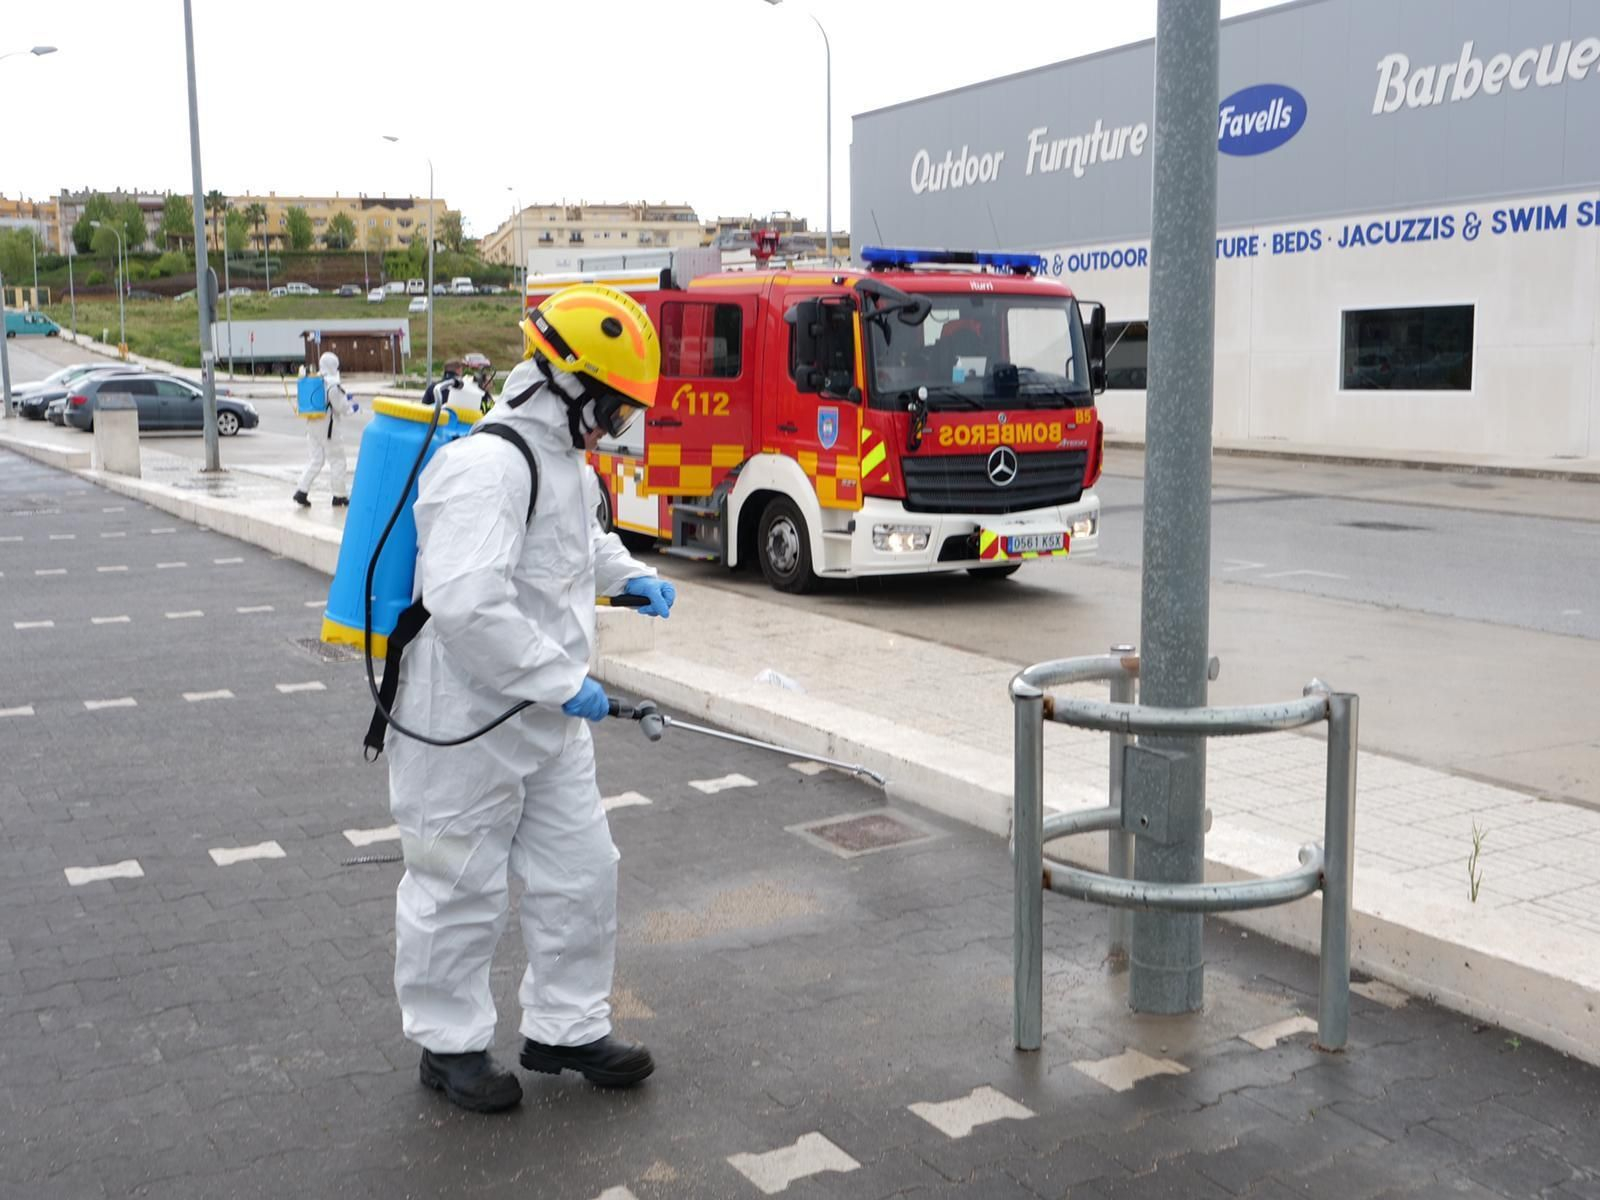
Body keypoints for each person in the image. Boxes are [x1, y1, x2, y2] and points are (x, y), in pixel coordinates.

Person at [386, 283, 677, 1114]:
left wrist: (634, 577)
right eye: (614, 410)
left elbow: (577, 545)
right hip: (464, 724)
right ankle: (448, 1048)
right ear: (569, 384)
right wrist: (566, 682)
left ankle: (567, 1026)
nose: (615, 426)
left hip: (548, 718)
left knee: (581, 873)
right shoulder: (485, 466)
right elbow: (467, 602)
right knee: (455, 886)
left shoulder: (563, 465)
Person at [293, 351, 357, 508]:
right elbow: (342, 408)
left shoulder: (312, 380)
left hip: (311, 424)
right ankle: (339, 496)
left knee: (316, 460)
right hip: (328, 428)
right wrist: (353, 408)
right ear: (334, 365)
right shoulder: (332, 385)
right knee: (337, 461)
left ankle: (301, 490)